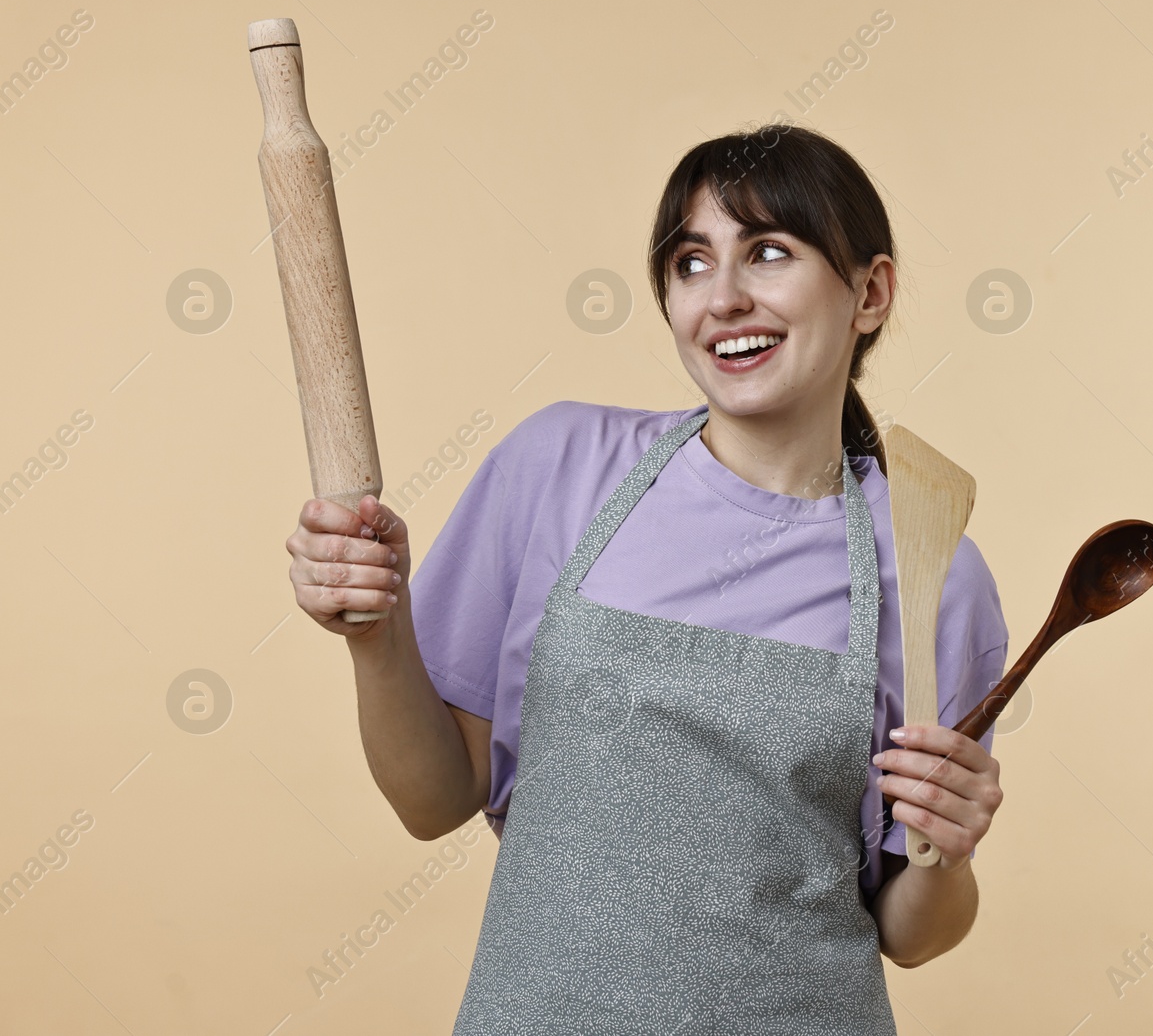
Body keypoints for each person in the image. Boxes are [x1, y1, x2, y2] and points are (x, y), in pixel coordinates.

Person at [284, 121, 1009, 1034]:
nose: (725, 297)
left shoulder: (931, 561)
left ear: (871, 291)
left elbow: (912, 932)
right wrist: (376, 633)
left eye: (769, 253)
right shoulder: (559, 468)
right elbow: (434, 801)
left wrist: (948, 847)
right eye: (691, 263)